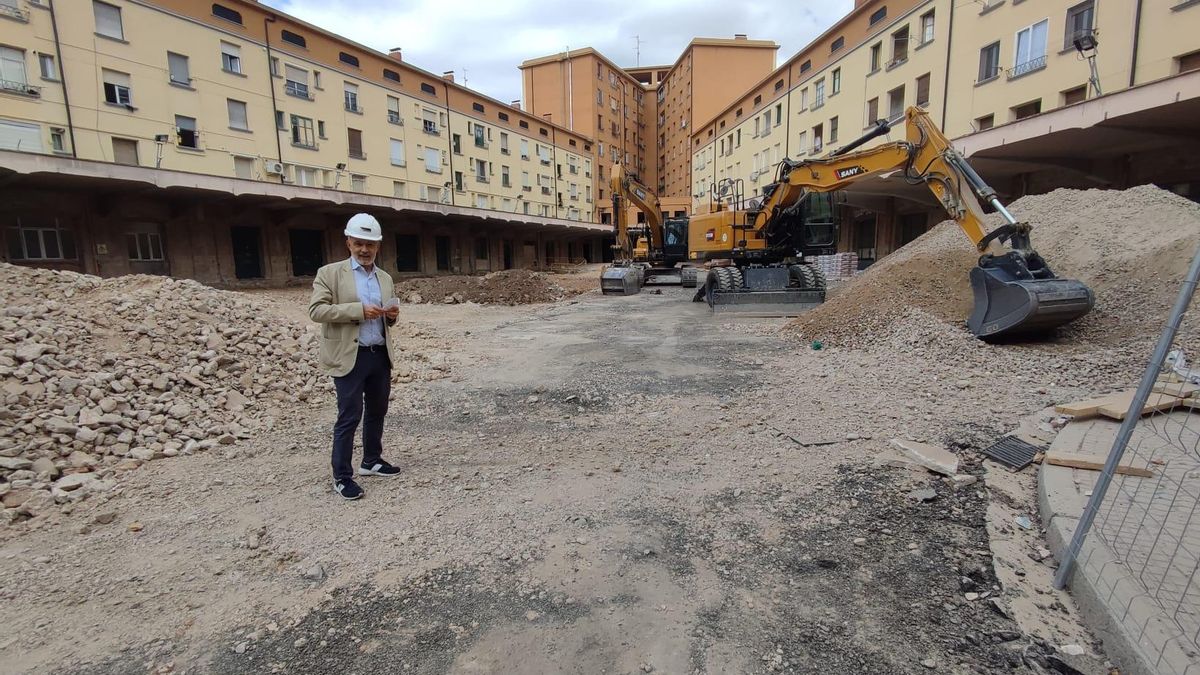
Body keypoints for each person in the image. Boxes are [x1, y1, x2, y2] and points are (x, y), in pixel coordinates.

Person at [308, 213, 403, 500]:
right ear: (348, 241)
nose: (364, 250)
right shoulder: (330, 273)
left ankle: (371, 461)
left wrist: (392, 317)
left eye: (370, 245)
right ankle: (342, 476)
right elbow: (317, 311)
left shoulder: (385, 278)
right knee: (349, 417)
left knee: (377, 412)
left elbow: (387, 318)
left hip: (378, 354)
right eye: (359, 243)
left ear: (378, 246)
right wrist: (357, 310)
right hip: (349, 356)